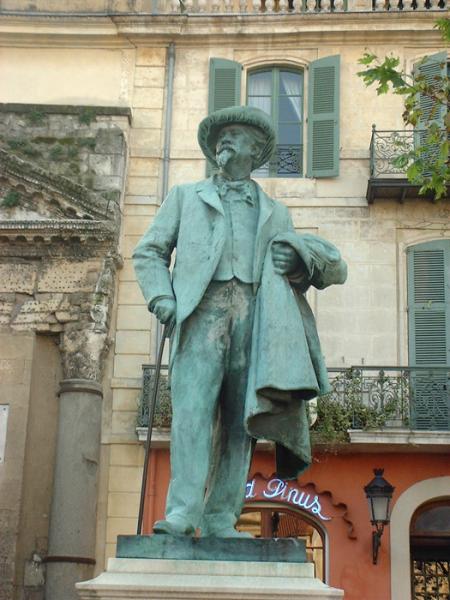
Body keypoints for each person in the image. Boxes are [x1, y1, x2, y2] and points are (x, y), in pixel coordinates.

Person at [133, 105, 347, 537]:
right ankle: (183, 513)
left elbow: (300, 276)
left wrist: (295, 263)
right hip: (200, 313)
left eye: (233, 135)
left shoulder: (275, 212)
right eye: (219, 137)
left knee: (239, 423)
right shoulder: (184, 197)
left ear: (256, 148)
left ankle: (220, 517)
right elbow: (149, 252)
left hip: (255, 318)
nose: (222, 142)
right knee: (192, 415)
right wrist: (161, 298)